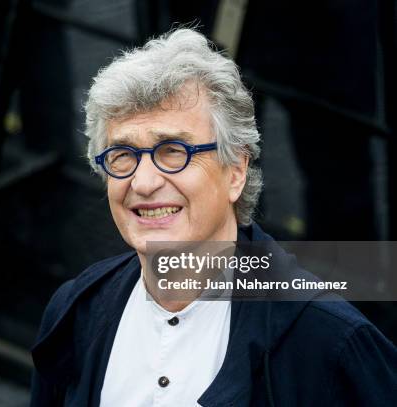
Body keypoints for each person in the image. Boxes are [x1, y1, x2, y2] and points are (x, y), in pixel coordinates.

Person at [30, 28, 397, 406]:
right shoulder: (77, 311)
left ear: (235, 172)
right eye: (122, 155)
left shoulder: (329, 342)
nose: (143, 182)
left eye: (174, 151)